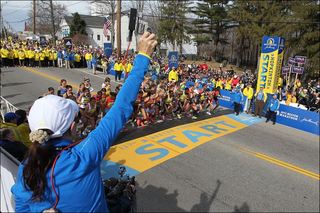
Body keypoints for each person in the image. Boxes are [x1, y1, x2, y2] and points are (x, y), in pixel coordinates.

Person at [11, 31, 157, 212]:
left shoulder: (25, 169)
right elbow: (121, 107)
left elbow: (21, 206)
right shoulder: (84, 155)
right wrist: (142, 56)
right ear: (72, 127)